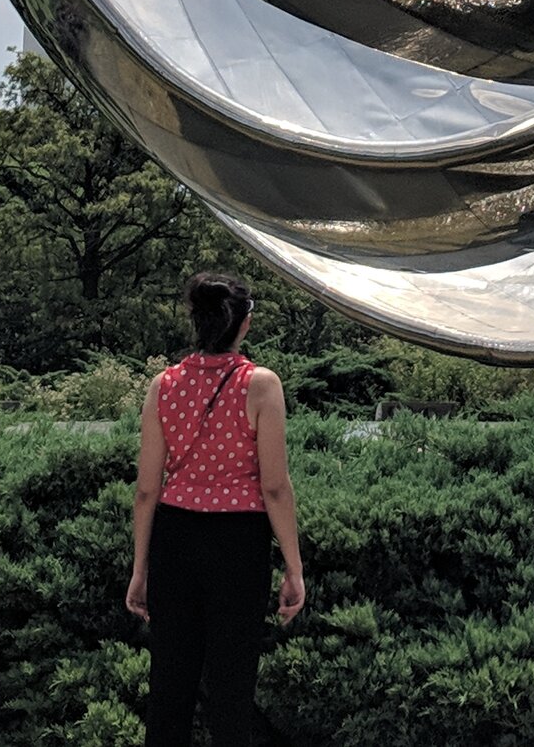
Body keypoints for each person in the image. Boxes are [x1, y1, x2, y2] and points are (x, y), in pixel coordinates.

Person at [126, 270, 305, 747]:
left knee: (169, 684)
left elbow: (147, 489)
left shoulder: (162, 385)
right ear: (243, 323)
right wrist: (293, 566)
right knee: (231, 683)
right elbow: (275, 487)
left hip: (174, 537)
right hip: (239, 542)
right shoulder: (261, 385)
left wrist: (140, 568)